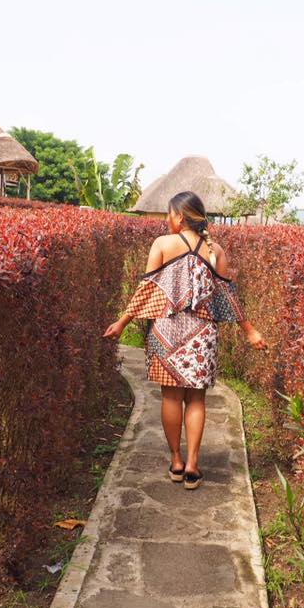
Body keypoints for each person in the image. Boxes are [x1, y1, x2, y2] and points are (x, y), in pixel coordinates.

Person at [103, 191, 267, 489]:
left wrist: (122, 321)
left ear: (179, 216)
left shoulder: (163, 244)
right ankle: (193, 464)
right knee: (196, 399)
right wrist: (250, 330)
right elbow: (228, 295)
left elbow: (147, 289)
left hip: (166, 330)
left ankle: (176, 461)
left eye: (169, 214)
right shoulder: (214, 249)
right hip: (202, 334)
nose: (167, 220)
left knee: (171, 397)